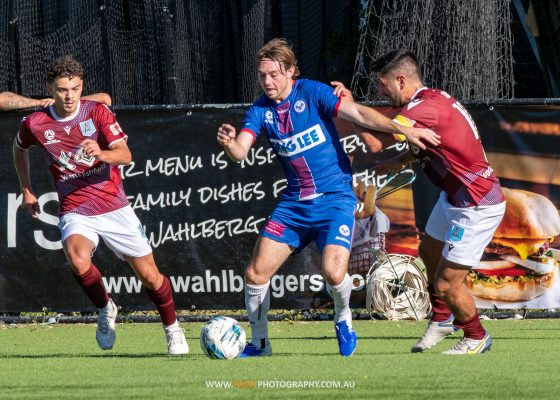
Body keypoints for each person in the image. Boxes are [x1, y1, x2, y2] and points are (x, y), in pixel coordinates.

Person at [216, 38, 439, 358]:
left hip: (335, 199)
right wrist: (229, 145)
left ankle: (343, 317)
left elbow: (359, 114)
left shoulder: (313, 92)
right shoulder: (260, 110)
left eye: (274, 74)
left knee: (334, 274)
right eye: (262, 75)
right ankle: (260, 343)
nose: (267, 81)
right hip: (294, 204)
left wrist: (404, 131)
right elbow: (240, 151)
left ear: (292, 71)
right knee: (255, 274)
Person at [12, 55, 188, 356]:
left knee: (149, 276)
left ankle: (173, 328)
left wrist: (101, 154)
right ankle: (106, 308)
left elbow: (125, 154)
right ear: (50, 89)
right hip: (75, 206)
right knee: (77, 259)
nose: (69, 96)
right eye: (62, 89)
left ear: (82, 87)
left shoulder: (97, 112)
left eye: (76, 88)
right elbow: (19, 149)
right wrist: (27, 190)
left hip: (113, 204)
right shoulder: (36, 123)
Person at [337, 49, 505, 354]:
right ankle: (442, 320)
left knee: (445, 285)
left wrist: (346, 108)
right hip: (453, 198)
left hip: (476, 206)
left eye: (382, 84)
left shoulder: (424, 109)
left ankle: (477, 336)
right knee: (428, 250)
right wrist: (398, 162)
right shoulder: (431, 99)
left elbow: (374, 142)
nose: (379, 91)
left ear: (400, 80)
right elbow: (425, 144)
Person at [1, 91, 112, 111]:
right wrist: (39, 103)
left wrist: (60, 102)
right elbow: (2, 100)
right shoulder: (43, 100)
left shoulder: (71, 97)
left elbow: (105, 99)